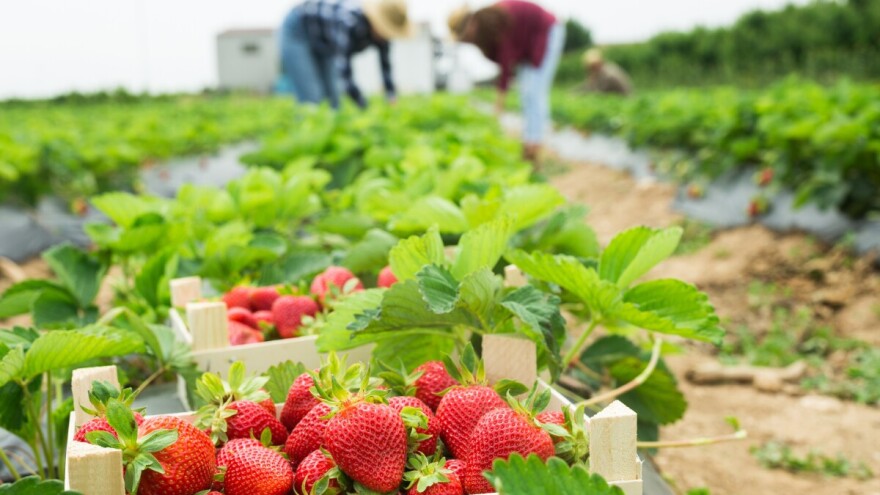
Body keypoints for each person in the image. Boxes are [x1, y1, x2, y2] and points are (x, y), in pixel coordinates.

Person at [448, 1, 565, 161]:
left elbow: (506, 60)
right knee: (526, 93)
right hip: (528, 43)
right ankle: (530, 143)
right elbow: (504, 62)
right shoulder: (485, 30)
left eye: (464, 33)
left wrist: (500, 101)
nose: (466, 38)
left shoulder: (494, 19)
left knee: (534, 92)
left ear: (471, 23)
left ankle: (535, 145)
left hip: (547, 31)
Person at [280, 0, 410, 109]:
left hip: (325, 41)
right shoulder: (349, 22)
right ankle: (307, 135)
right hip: (298, 30)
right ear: (377, 23)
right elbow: (344, 72)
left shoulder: (381, 37)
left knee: (333, 99)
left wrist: (391, 96)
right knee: (311, 98)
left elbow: (385, 67)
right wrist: (363, 105)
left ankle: (327, 134)